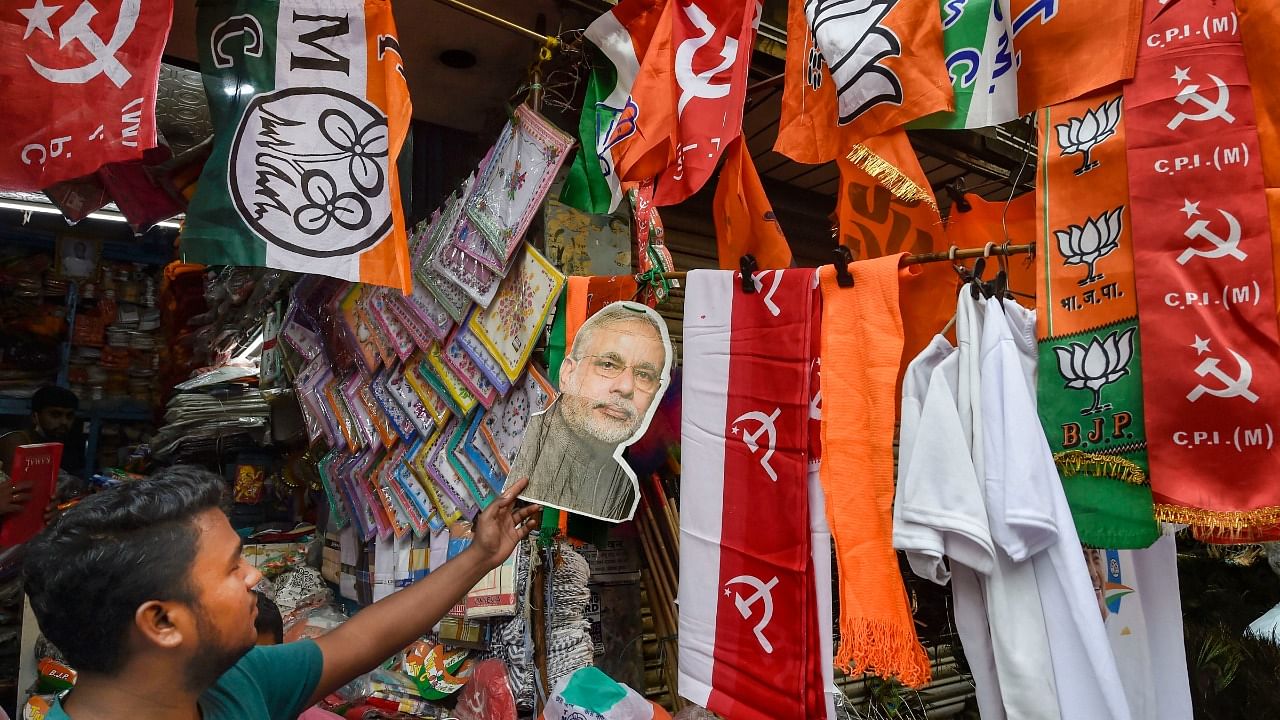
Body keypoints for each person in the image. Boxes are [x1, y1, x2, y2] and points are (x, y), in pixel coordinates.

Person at [22, 465, 540, 720]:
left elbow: (359, 642)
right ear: (161, 623)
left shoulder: (230, 683)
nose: (254, 576)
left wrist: (480, 557)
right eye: (230, 569)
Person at [512, 302, 670, 522]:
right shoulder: (517, 447)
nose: (626, 387)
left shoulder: (623, 490)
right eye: (608, 364)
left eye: (644, 375)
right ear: (567, 373)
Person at [0, 386, 80, 520]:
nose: (64, 422)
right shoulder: (17, 442)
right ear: (35, 416)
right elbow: (15, 497)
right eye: (55, 414)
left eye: (69, 416)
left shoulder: (58, 445)